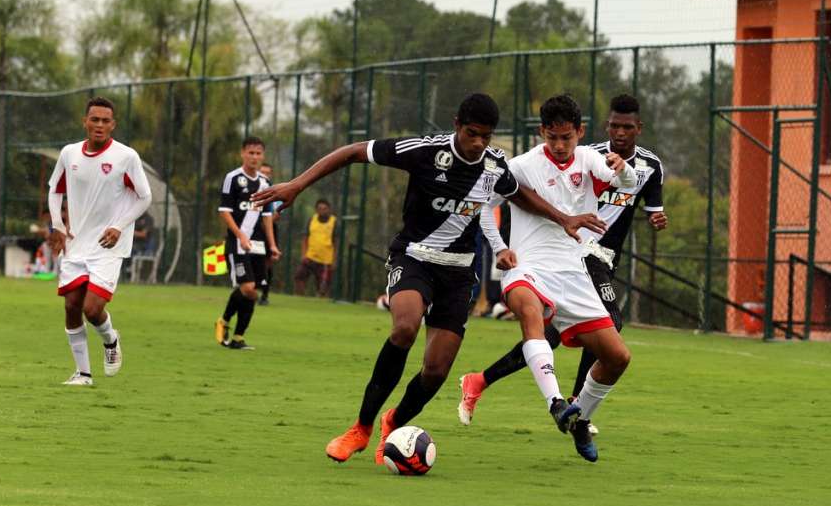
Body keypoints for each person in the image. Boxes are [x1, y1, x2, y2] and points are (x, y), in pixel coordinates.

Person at [251, 93, 605, 467]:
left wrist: (564, 219)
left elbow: (522, 196)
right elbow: (354, 151)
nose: (478, 143)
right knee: (405, 327)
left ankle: (394, 421)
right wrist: (296, 185)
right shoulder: (423, 151)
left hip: (458, 272)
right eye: (471, 134)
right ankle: (360, 427)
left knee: (436, 371)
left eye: (486, 136)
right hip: (414, 257)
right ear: (456, 125)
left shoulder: (494, 165)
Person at [459, 93, 667, 435]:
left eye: (566, 137)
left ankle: (481, 382)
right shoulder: (526, 165)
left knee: (573, 344)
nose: (559, 145)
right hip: (554, 261)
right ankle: (566, 406)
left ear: (579, 133)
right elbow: (484, 205)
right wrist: (499, 248)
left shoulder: (607, 161)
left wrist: (628, 175)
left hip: (581, 266)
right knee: (557, 318)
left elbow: (632, 188)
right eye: (552, 137)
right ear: (542, 132)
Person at [47, 97, 152, 385]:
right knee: (71, 306)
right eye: (95, 119)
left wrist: (118, 226)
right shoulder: (69, 154)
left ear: (113, 125)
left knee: (92, 309)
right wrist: (58, 226)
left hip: (109, 245)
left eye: (106, 121)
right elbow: (54, 190)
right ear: (85, 121)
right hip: (76, 242)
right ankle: (83, 373)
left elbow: (145, 197)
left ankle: (110, 339)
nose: (100, 125)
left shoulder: (126, 157)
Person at [213, 137, 281, 350]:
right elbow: (224, 212)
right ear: (242, 153)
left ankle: (238, 337)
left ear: (263, 156)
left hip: (259, 244)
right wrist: (240, 236)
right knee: (248, 287)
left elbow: (267, 216)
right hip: (237, 241)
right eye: (250, 153)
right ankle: (224, 321)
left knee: (254, 291)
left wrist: (272, 245)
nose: (254, 157)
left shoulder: (265, 183)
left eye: (258, 153)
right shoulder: (232, 178)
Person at [294, 199, 336, 297]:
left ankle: (321, 303)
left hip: (326, 260)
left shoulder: (334, 222)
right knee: (299, 276)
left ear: (329, 209)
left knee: (323, 286)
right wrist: (304, 254)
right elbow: (305, 238)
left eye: (324, 209)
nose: (322, 211)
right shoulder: (312, 220)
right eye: (320, 209)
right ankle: (300, 298)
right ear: (316, 210)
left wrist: (334, 260)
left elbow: (336, 242)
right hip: (310, 256)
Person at [257, 163, 278, 305]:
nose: (264, 175)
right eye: (262, 172)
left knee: (268, 263)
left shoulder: (276, 192)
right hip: (253, 230)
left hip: (269, 230)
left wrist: (265, 222)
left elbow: (276, 214)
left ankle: (264, 294)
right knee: (253, 261)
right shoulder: (253, 189)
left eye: (267, 173)